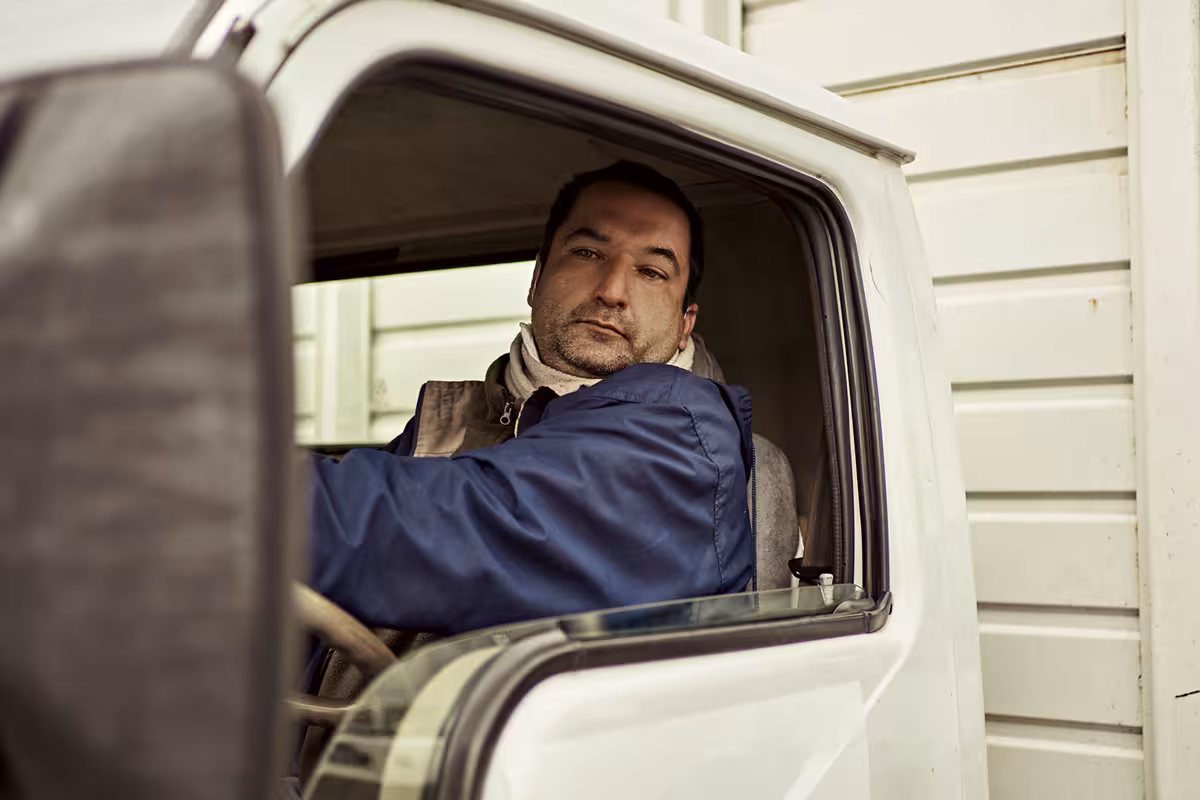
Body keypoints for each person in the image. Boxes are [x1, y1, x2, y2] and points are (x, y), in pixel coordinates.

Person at [309, 161, 754, 636]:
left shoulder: (683, 440)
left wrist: (254, 496)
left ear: (686, 323)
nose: (612, 291)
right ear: (536, 279)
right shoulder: (450, 418)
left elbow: (454, 526)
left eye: (651, 272)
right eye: (587, 253)